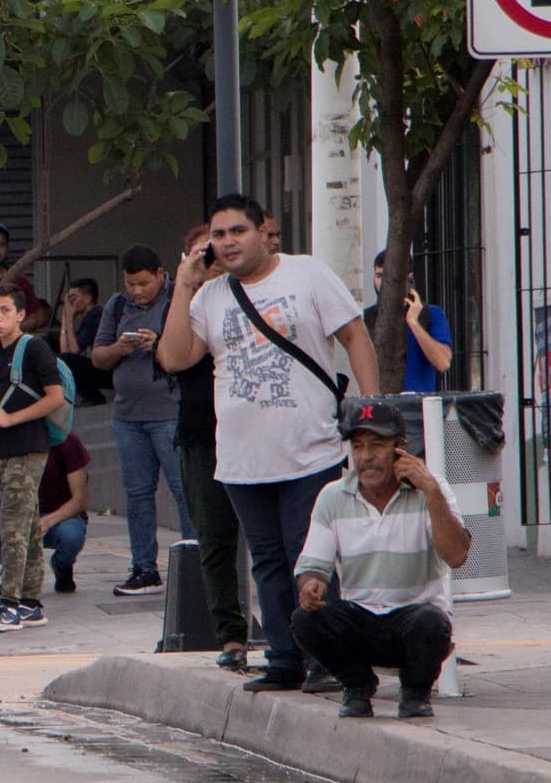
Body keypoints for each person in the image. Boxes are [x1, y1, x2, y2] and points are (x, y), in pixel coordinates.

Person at [156, 193, 379, 692]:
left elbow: (355, 335)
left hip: (310, 448)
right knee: (268, 565)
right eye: (218, 235)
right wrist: (184, 287)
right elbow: (173, 357)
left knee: (312, 559)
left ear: (262, 232)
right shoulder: (209, 297)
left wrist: (371, 409)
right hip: (241, 459)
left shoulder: (306, 274)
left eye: (238, 231)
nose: (228, 242)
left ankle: (327, 659)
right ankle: (284, 659)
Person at [291, 401, 470, 719]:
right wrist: (311, 586)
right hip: (361, 619)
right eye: (358, 446)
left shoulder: (433, 491)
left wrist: (429, 490)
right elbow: (312, 567)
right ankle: (357, 687)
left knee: (431, 623)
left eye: (377, 446)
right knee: (305, 620)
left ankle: (416, 693)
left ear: (401, 450)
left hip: (413, 620)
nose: (365, 457)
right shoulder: (333, 496)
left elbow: (457, 555)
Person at [164, 224, 249, 669]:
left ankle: (286, 622)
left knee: (272, 535)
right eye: (203, 254)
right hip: (202, 433)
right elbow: (172, 358)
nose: (212, 263)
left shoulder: (251, 293)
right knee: (214, 538)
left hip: (256, 428)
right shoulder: (189, 302)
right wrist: (185, 284)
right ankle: (230, 634)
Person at [93, 244, 193, 596]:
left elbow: (192, 349)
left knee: (185, 491)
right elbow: (97, 357)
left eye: (144, 283)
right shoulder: (117, 306)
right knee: (137, 494)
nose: (136, 290)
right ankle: (143, 568)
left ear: (161, 275)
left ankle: (194, 566)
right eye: (130, 283)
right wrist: (120, 348)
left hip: (170, 413)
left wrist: (159, 344)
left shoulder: (178, 300)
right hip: (127, 416)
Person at [0, 284, 64, 632]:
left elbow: (54, 397)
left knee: (11, 525)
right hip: (3, 448)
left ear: (21, 314)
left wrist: (10, 418)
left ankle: (8, 604)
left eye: (5, 312)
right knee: (25, 526)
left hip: (27, 446)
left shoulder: (34, 348)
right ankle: (30, 602)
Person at [362, 250, 452, 392]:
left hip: (419, 408)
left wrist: (414, 323)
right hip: (381, 406)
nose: (385, 283)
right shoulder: (367, 317)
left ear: (409, 278)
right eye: (379, 276)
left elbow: (443, 362)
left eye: (391, 277)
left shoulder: (432, 314)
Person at [39, 431, 91, 593]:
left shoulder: (67, 440)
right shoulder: (13, 437)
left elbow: (80, 500)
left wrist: (48, 521)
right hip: (26, 513)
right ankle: (10, 568)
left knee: (71, 535)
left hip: (63, 515)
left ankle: (62, 565)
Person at [58, 277, 111, 406]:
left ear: (87, 299)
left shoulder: (95, 315)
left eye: (73, 298)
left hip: (110, 369)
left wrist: (69, 318)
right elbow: (65, 351)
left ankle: (93, 396)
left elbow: (74, 351)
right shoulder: (90, 315)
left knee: (68, 361)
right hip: (104, 367)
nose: (70, 302)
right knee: (62, 359)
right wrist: (65, 318)